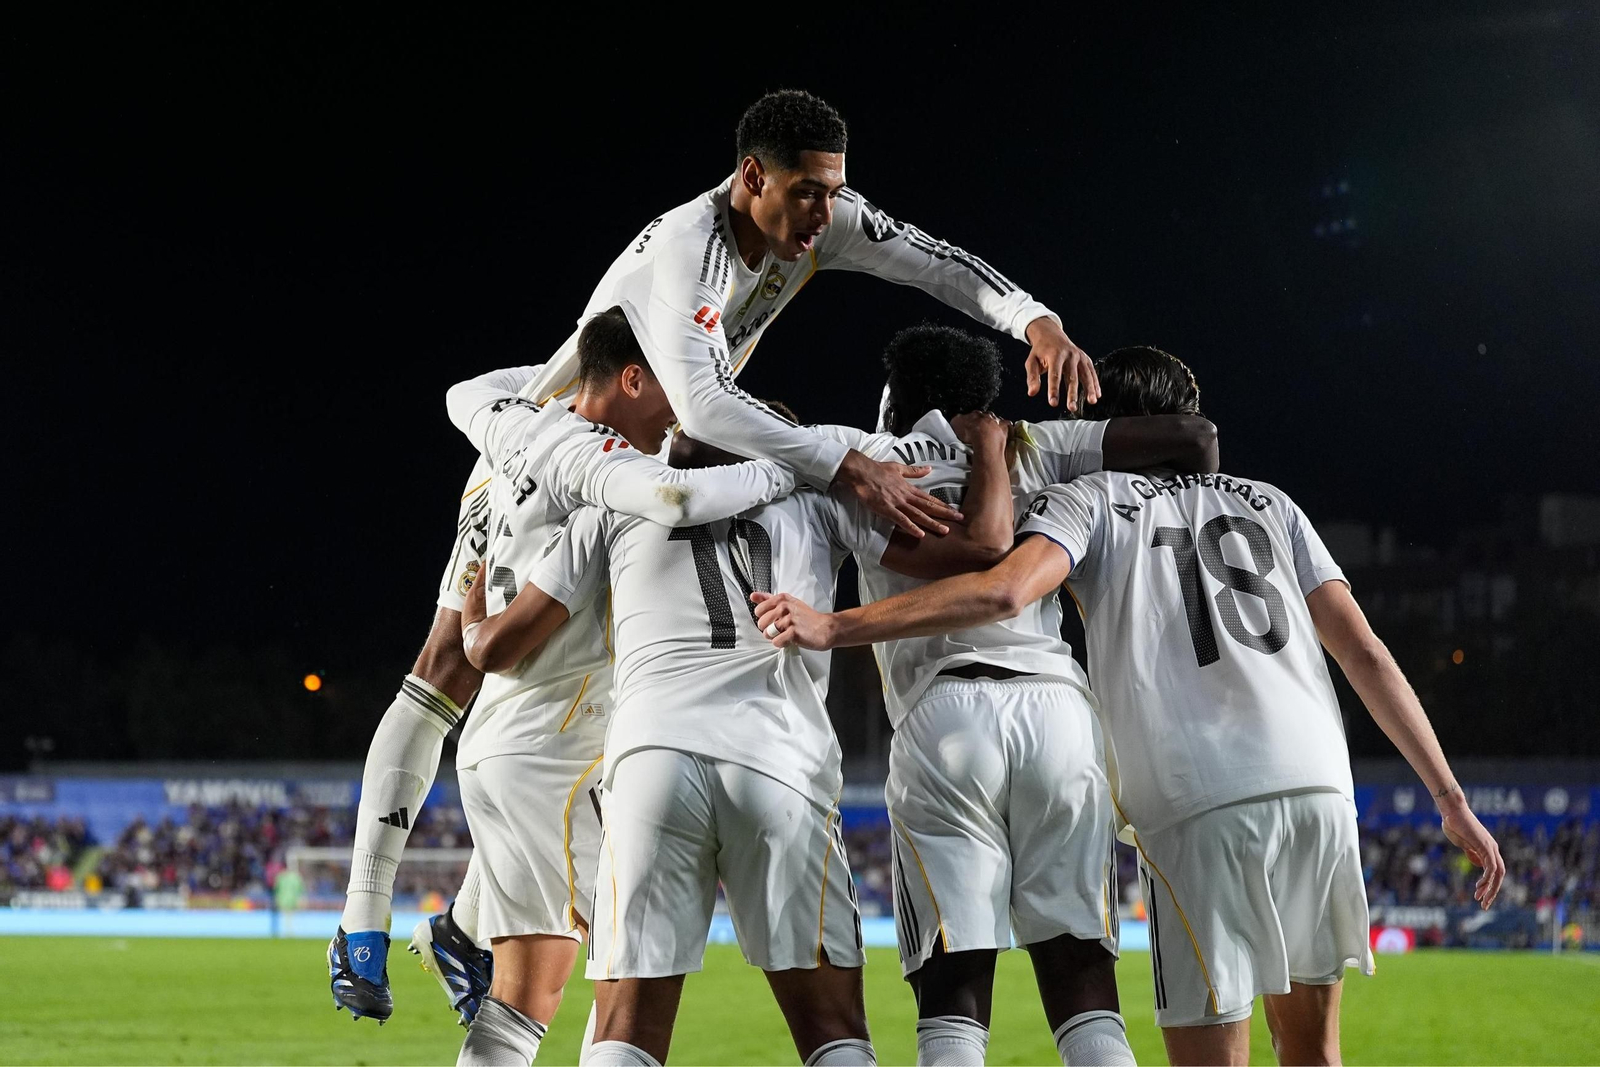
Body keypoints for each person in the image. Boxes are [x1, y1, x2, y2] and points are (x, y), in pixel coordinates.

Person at [753, 346, 1508, 1067]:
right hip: (1317, 786)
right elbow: (1366, 652)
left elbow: (1004, 586)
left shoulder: (1090, 498)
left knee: (976, 997)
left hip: (1195, 796)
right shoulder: (1275, 504)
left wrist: (835, 626)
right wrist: (1448, 796)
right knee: (1309, 1050)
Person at [499, 412, 1017, 1067]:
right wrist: (991, 451)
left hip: (650, 759)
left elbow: (502, 642)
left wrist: (469, 590)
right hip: (780, 762)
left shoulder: (616, 501)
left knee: (623, 1026)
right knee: (833, 1028)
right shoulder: (814, 499)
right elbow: (981, 548)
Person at [329, 310, 796, 1028]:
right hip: (558, 752)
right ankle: (444, 924)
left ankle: (404, 921)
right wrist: (796, 462)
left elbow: (467, 392)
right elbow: (677, 493)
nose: (687, 409)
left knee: (436, 675)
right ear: (633, 377)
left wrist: (559, 376)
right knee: (604, 984)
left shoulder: (517, 427)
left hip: (507, 728)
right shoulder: (606, 472)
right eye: (677, 385)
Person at [800, 323, 1215, 1066]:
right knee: (1081, 976)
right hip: (1057, 707)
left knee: (955, 989)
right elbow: (1192, 437)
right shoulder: (1036, 444)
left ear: (897, 395)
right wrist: (1022, 441)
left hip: (944, 715)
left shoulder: (874, 463)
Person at [523, 88, 1097, 540]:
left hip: (639, 465)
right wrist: (848, 464)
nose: (826, 214)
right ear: (753, 177)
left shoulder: (826, 219)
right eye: (806, 192)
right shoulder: (691, 246)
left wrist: (1035, 322)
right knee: (464, 653)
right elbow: (703, 403)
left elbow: (937, 264)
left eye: (835, 190)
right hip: (548, 451)